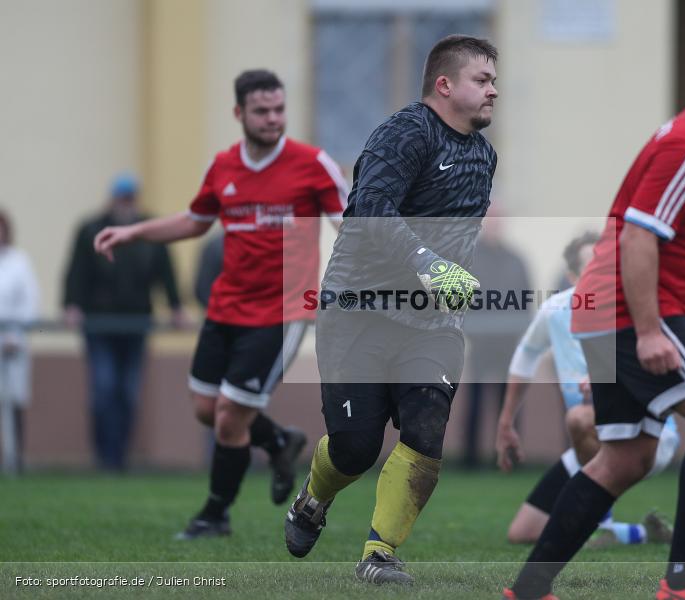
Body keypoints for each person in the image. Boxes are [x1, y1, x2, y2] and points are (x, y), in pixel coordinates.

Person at [505, 32, 685, 600]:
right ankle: (684, 585)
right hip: (624, 316)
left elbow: (666, 253)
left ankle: (529, 589)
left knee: (623, 460)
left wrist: (679, 320)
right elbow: (638, 237)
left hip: (619, 314)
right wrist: (654, 328)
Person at [93, 70, 348, 538]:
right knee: (205, 408)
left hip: (283, 311)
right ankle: (277, 440)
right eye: (262, 111)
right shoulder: (224, 166)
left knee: (230, 417)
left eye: (279, 109)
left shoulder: (312, 163)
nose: (273, 119)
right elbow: (194, 222)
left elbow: (350, 225)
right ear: (239, 114)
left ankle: (215, 514)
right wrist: (133, 233)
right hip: (227, 306)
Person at [284, 35, 498, 584]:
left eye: (495, 81)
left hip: (430, 323)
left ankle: (379, 555)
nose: (494, 90)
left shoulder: (484, 154)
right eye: (483, 80)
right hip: (358, 311)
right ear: (445, 85)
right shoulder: (403, 134)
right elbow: (370, 212)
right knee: (356, 449)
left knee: (426, 431)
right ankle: (312, 499)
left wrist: (458, 286)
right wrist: (429, 263)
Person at [496, 232, 677, 548]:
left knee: (578, 418)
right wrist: (506, 421)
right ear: (572, 277)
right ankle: (644, 533)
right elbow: (526, 354)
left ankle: (601, 522)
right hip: (594, 441)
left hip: (647, 438)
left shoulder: (636, 309)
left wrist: (615, 380)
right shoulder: (555, 310)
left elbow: (668, 362)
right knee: (524, 532)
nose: (604, 276)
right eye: (594, 268)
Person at [64, 174, 187, 471]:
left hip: (136, 324)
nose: (126, 203)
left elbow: (164, 271)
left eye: (130, 198)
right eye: (122, 198)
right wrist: (72, 304)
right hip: (100, 324)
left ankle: (119, 458)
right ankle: (104, 456)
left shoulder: (147, 230)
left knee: (129, 392)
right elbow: (77, 270)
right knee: (104, 389)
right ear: (112, 199)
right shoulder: (90, 228)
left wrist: (175, 306)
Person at [462, 209, 532, 468]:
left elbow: (526, 299)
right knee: (476, 403)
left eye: (499, 219)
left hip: (508, 344)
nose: (495, 224)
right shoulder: (471, 258)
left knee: (510, 403)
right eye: (491, 219)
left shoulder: (516, 260)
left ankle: (510, 456)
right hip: (480, 344)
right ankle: (470, 460)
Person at [0, 210, 40, 473]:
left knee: (13, 400)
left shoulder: (19, 261)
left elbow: (30, 301)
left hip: (12, 341)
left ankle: (15, 459)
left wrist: (15, 334)